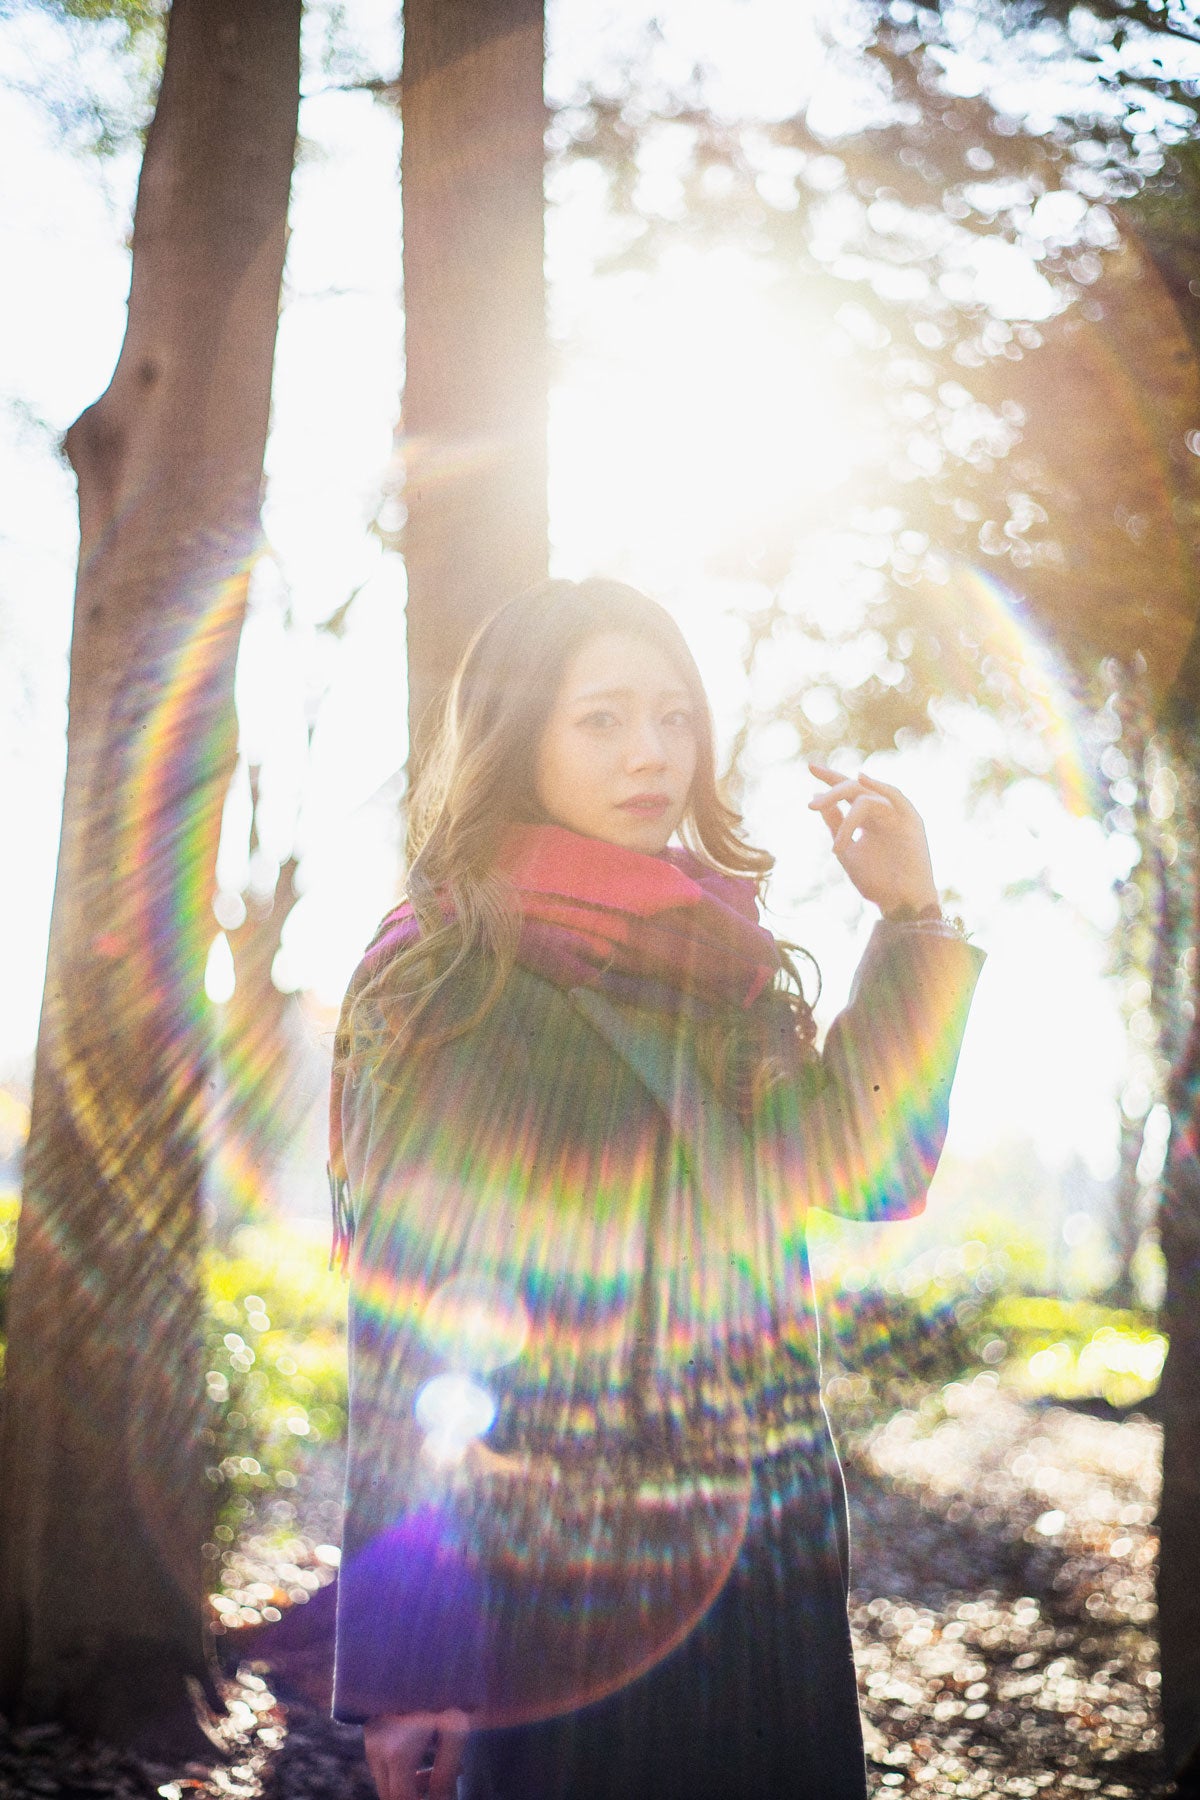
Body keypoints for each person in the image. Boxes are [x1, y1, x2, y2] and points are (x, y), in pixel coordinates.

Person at [327, 577, 985, 1800]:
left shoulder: (714, 957)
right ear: (519, 735)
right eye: (604, 719)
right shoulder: (448, 976)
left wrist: (912, 916)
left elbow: (868, 1164)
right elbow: (413, 1333)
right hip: (560, 1600)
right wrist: (415, 1660)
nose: (653, 752)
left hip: (762, 1566)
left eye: (675, 716)